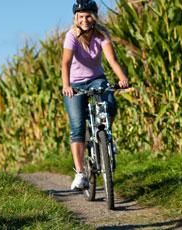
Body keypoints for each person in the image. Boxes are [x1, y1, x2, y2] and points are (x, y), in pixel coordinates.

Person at [61, 0, 129, 190]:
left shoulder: (102, 35)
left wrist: (123, 79)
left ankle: (105, 138)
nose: (84, 19)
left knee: (110, 105)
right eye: (81, 16)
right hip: (75, 83)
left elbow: (112, 60)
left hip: (97, 78)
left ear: (95, 17)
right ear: (76, 18)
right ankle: (80, 173)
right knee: (77, 126)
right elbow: (65, 63)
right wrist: (66, 85)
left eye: (88, 15)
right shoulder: (71, 36)